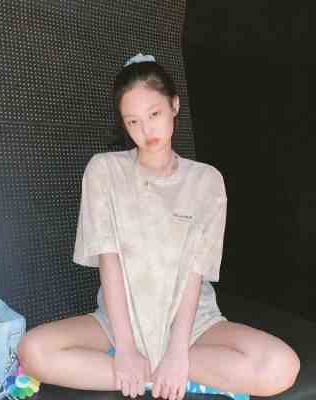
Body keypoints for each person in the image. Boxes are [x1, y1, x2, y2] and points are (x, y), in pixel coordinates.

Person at [17, 53, 300, 400]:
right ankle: (156, 374)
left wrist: (178, 353)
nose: (146, 130)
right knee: (32, 351)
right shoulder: (104, 171)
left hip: (193, 327)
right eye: (133, 121)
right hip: (118, 324)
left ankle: (161, 371)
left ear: (174, 105)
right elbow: (109, 262)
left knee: (281, 366)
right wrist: (125, 348)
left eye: (154, 114)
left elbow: (195, 272)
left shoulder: (206, 181)